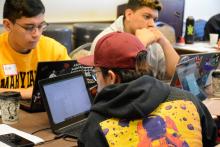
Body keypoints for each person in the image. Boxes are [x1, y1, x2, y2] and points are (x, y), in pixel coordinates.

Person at [77, 32, 217, 147]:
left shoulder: (96, 126)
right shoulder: (190, 101)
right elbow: (210, 140)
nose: (96, 79)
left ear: (112, 77)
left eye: (97, 73)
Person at [90, 0, 179, 80]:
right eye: (147, 17)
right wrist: (139, 44)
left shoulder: (151, 36)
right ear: (129, 15)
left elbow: (176, 76)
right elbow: (122, 84)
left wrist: (164, 41)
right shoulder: (105, 40)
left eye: (154, 19)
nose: (152, 24)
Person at [0, 0, 71, 99]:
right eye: (29, 27)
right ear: (8, 25)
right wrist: (32, 92)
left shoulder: (54, 49)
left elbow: (71, 84)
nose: (36, 34)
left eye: (41, 26)